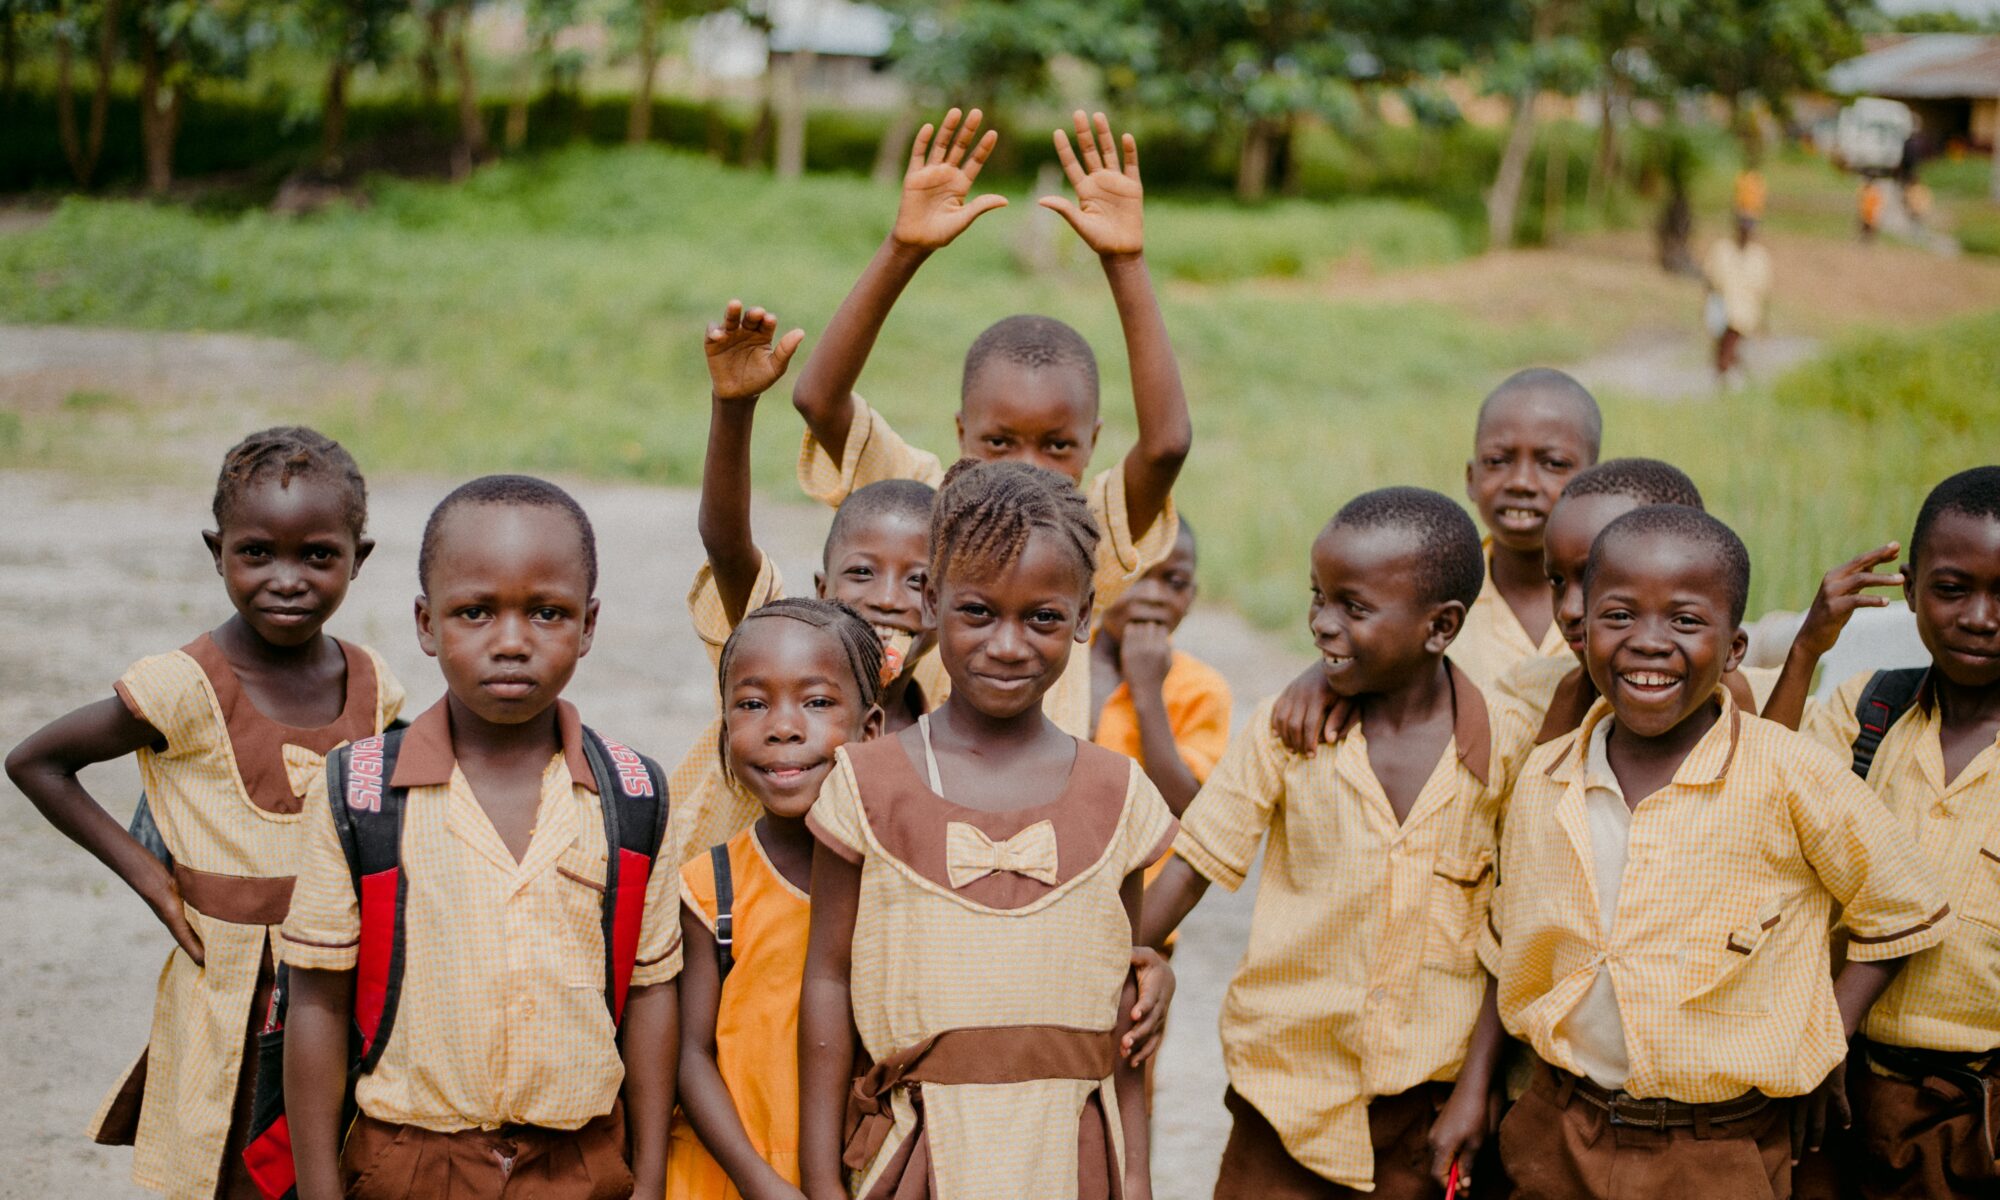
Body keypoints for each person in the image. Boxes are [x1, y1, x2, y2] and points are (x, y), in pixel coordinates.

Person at [1485, 505, 1950, 1200]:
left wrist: (1826, 1036)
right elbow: (1516, 944)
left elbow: (1900, 907)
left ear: (1734, 650)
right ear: (1583, 630)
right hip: (1562, 1130)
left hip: (1719, 1150)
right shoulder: (1548, 777)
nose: (1648, 642)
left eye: (1685, 620)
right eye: (1618, 616)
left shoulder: (1790, 773)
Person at [5, 427, 405, 1200]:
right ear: (216, 551)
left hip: (340, 978)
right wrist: (153, 880)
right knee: (231, 1162)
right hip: (231, 988)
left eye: (318, 556)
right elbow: (38, 762)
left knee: (336, 1157)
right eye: (257, 553)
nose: (286, 579)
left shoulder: (371, 681)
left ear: (360, 558)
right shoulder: (183, 686)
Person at [278, 476, 681, 1199]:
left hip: (580, 1167)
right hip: (409, 1164)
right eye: (475, 612)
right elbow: (317, 1001)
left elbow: (652, 996)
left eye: (548, 613)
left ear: (588, 626)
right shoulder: (360, 791)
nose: (512, 642)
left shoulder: (633, 793)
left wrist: (647, 1180)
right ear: (426, 624)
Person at [797, 461, 1178, 1200]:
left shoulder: (1117, 792)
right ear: (933, 605)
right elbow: (828, 978)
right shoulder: (868, 783)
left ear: (1085, 616)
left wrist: (1135, 1174)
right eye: (978, 612)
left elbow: (1123, 996)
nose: (1008, 645)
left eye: (1042, 618)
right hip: (918, 1160)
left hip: (1072, 1160)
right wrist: (819, 1177)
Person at [1142, 487, 1536, 1199]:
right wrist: (1112, 958)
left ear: (1440, 627)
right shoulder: (1286, 730)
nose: (1322, 623)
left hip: (1428, 1115)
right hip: (1283, 1103)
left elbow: (1514, 939)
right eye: (1317, 596)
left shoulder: (1507, 754)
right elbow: (1196, 858)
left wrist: (1479, 1088)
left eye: (1352, 608)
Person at [787, 106, 1193, 740]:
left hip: (1039, 819)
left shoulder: (1083, 536)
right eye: (998, 441)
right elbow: (818, 399)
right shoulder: (924, 499)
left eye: (1057, 445)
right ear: (960, 434)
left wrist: (1126, 262)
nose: (1025, 468)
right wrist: (904, 250)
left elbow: (1166, 446)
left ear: (1093, 444)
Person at [1770, 467, 2000, 1200]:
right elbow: (1753, 801)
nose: (1980, 617)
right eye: (1953, 588)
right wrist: (1806, 648)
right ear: (1909, 590)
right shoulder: (1868, 713)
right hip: (1841, 1088)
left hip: (1982, 1110)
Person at [669, 300, 942, 872]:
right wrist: (734, 406)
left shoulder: (945, 720)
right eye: (861, 573)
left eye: (918, 581)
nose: (888, 598)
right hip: (712, 936)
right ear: (823, 588)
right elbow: (726, 541)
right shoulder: (779, 647)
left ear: (945, 604)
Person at [670, 596, 888, 1200]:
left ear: (871, 729)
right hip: (730, 1175)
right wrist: (759, 1182)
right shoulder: (712, 887)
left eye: (817, 703)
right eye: (752, 704)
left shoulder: (900, 883)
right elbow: (689, 1054)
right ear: (725, 728)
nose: (784, 727)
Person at [1267, 369, 1599, 753]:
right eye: (1497, 460)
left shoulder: (1624, 599)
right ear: (1471, 478)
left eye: (1553, 463)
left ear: (1592, 483)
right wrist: (1324, 675)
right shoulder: (1423, 591)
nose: (1521, 481)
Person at [1498, 456, 1779, 740]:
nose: (1568, 611)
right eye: (1557, 581)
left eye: (1591, 579)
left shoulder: (1767, 700)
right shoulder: (1525, 695)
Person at [1091, 519, 1231, 817]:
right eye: (1135, 574)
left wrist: (1148, 691)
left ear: (1191, 597)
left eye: (1175, 582)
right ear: (1097, 578)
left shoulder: (1203, 689)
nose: (1153, 595)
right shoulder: (1062, 664)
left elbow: (1187, 806)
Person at [1704, 215, 1773, 381]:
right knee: (1723, 348)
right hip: (1721, 306)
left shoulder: (1759, 256)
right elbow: (1709, 280)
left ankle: (1729, 377)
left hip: (1745, 312)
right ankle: (1732, 378)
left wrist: (1763, 321)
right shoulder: (1722, 249)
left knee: (1730, 345)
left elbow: (1764, 292)